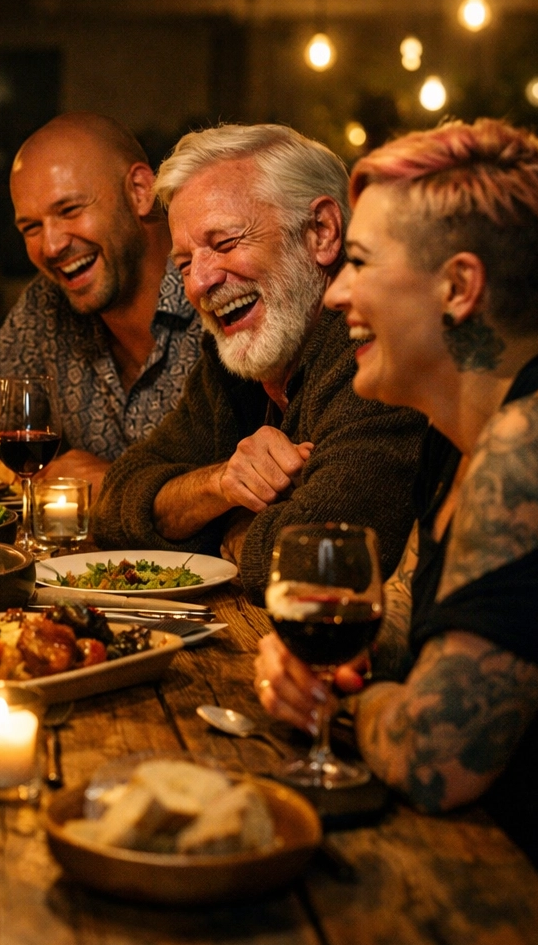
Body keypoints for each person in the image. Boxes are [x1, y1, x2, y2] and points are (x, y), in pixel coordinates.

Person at [254, 118, 538, 945]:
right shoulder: (467, 432)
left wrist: (335, 705)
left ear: (459, 286)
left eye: (359, 262)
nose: (335, 296)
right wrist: (311, 663)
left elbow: (435, 757)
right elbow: (396, 623)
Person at [93, 124, 426, 595]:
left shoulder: (377, 352)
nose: (199, 284)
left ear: (322, 232)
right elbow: (114, 506)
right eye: (184, 264)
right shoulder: (237, 362)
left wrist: (230, 530)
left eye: (225, 243)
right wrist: (219, 485)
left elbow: (321, 565)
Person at [0, 112, 204, 492]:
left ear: (140, 191)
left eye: (70, 210)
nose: (51, 246)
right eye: (31, 228)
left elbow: (265, 488)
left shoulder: (219, 291)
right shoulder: (47, 305)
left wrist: (116, 485)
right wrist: (25, 479)